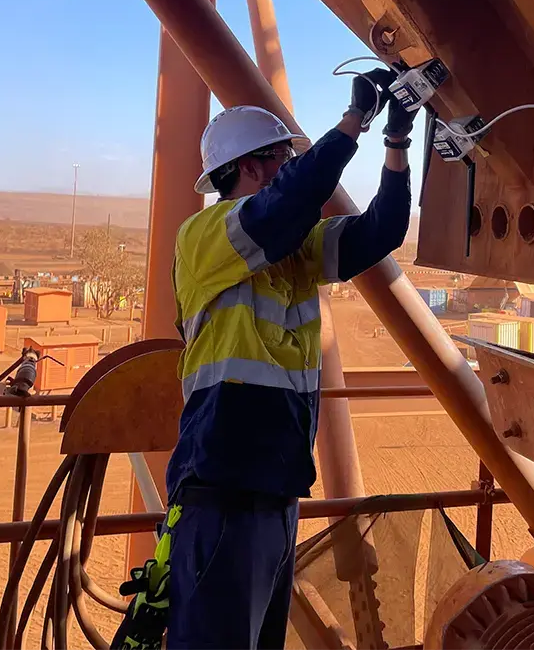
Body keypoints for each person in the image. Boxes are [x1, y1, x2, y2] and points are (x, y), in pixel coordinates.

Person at [166, 69, 417, 649]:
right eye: (282, 156)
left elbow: (380, 231)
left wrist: (397, 144)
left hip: (277, 489)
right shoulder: (204, 236)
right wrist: (353, 123)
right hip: (222, 489)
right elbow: (286, 205)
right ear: (251, 166)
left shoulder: (295, 249)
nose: (290, 167)